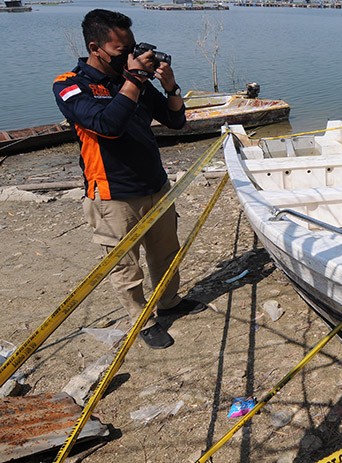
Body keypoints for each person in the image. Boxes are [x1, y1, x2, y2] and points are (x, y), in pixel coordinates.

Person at [53, 9, 205, 349]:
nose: (132, 56)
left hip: (156, 185)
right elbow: (107, 125)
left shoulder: (131, 80)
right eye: (123, 51)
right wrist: (134, 80)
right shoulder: (70, 85)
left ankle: (168, 302)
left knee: (166, 252)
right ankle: (142, 320)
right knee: (125, 267)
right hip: (111, 195)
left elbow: (175, 122)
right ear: (96, 47)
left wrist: (170, 86)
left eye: (133, 47)